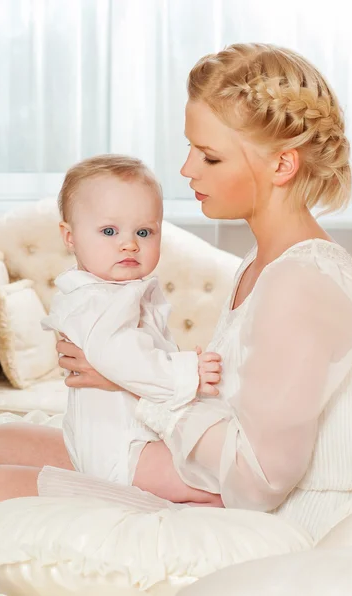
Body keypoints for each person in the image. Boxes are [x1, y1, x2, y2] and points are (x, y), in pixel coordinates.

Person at [0, 42, 352, 540]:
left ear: (282, 166)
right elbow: (234, 406)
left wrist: (131, 382)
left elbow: (259, 484)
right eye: (190, 148)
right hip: (229, 488)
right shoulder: (260, 265)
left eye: (209, 156)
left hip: (284, 529)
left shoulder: (300, 283)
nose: (187, 169)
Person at [40, 154, 222, 489]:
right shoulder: (93, 300)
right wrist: (186, 371)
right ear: (70, 237)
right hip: (123, 451)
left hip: (136, 438)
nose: (129, 244)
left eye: (144, 231)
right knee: (213, 488)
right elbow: (120, 356)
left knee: (213, 475)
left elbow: (142, 352)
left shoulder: (117, 292)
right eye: (109, 231)